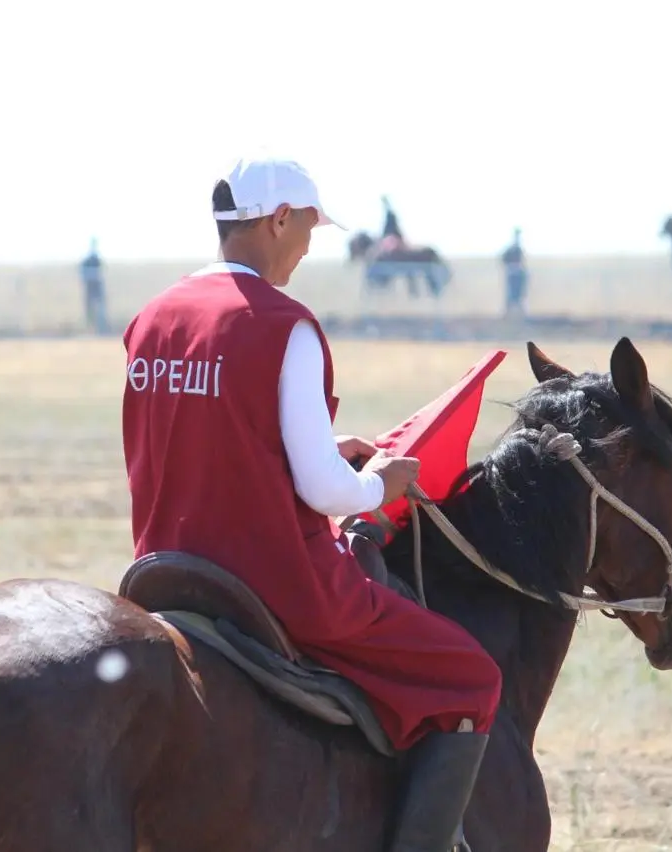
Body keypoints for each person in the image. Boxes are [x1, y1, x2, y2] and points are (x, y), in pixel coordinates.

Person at [121, 153, 500, 851]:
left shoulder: (152, 317)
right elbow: (325, 493)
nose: (307, 246)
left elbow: (214, 434)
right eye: (308, 228)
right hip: (279, 585)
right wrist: (378, 483)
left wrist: (322, 444)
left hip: (163, 571)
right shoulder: (284, 324)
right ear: (278, 220)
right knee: (472, 677)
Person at [501, 227, 528, 317]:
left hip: (518, 273)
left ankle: (521, 314)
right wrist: (512, 266)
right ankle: (507, 314)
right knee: (511, 294)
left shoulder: (518, 249)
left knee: (519, 294)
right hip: (512, 273)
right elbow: (504, 259)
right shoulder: (512, 249)